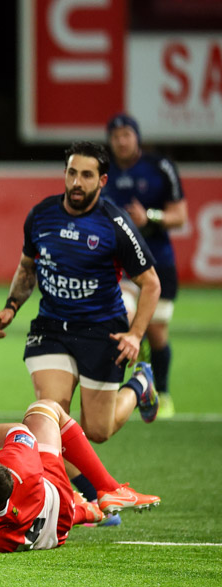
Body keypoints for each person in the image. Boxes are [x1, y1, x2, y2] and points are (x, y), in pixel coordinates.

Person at [0, 141, 162, 451]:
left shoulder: (115, 224)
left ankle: (139, 385)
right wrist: (11, 307)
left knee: (98, 430)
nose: (76, 182)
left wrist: (136, 335)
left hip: (101, 330)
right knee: (52, 417)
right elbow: (27, 268)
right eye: (71, 173)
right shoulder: (41, 216)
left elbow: (151, 283)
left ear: (102, 181)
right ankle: (79, 496)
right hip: (51, 328)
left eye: (86, 175)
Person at [0, 399, 160, 553]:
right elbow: (18, 430)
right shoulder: (21, 464)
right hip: (52, 497)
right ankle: (108, 489)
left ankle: (89, 509)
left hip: (53, 528)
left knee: (76, 510)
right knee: (46, 408)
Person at [104, 113, 188, 419]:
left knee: (157, 332)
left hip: (158, 262)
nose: (121, 141)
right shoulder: (104, 172)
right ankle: (126, 383)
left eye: (127, 134)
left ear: (136, 137)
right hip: (120, 266)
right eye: (116, 136)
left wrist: (149, 217)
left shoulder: (159, 168)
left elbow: (180, 216)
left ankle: (161, 392)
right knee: (122, 318)